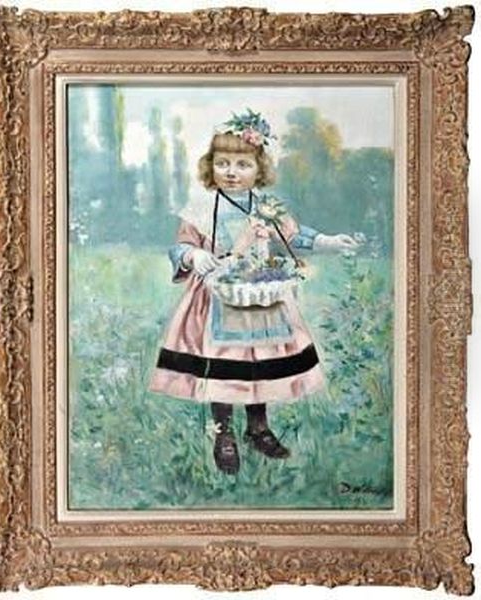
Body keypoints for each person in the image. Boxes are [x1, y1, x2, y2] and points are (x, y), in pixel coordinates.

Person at [149, 110, 357, 475]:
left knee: (258, 364)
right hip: (216, 297)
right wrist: (193, 255)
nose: (231, 172)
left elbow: (293, 236)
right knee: (224, 366)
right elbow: (180, 245)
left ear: (259, 169)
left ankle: (258, 428)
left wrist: (327, 241)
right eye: (223, 163)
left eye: (243, 164)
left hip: (260, 295)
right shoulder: (202, 207)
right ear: (210, 165)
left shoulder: (265, 205)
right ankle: (223, 433)